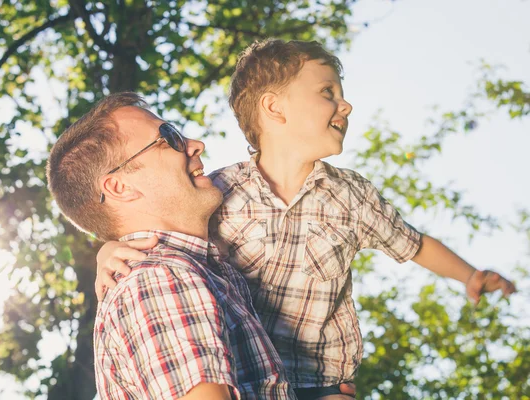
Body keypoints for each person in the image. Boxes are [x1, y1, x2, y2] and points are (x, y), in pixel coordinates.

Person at [95, 40, 516, 400]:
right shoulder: (216, 192)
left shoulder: (353, 197)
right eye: (327, 92)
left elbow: (415, 244)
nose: (345, 104)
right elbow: (168, 239)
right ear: (274, 107)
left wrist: (470, 275)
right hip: (245, 377)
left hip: (320, 384)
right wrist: (110, 248)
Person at [47, 92, 302, 399]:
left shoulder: (202, 269)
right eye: (167, 137)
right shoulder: (159, 279)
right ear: (120, 187)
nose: (195, 144)